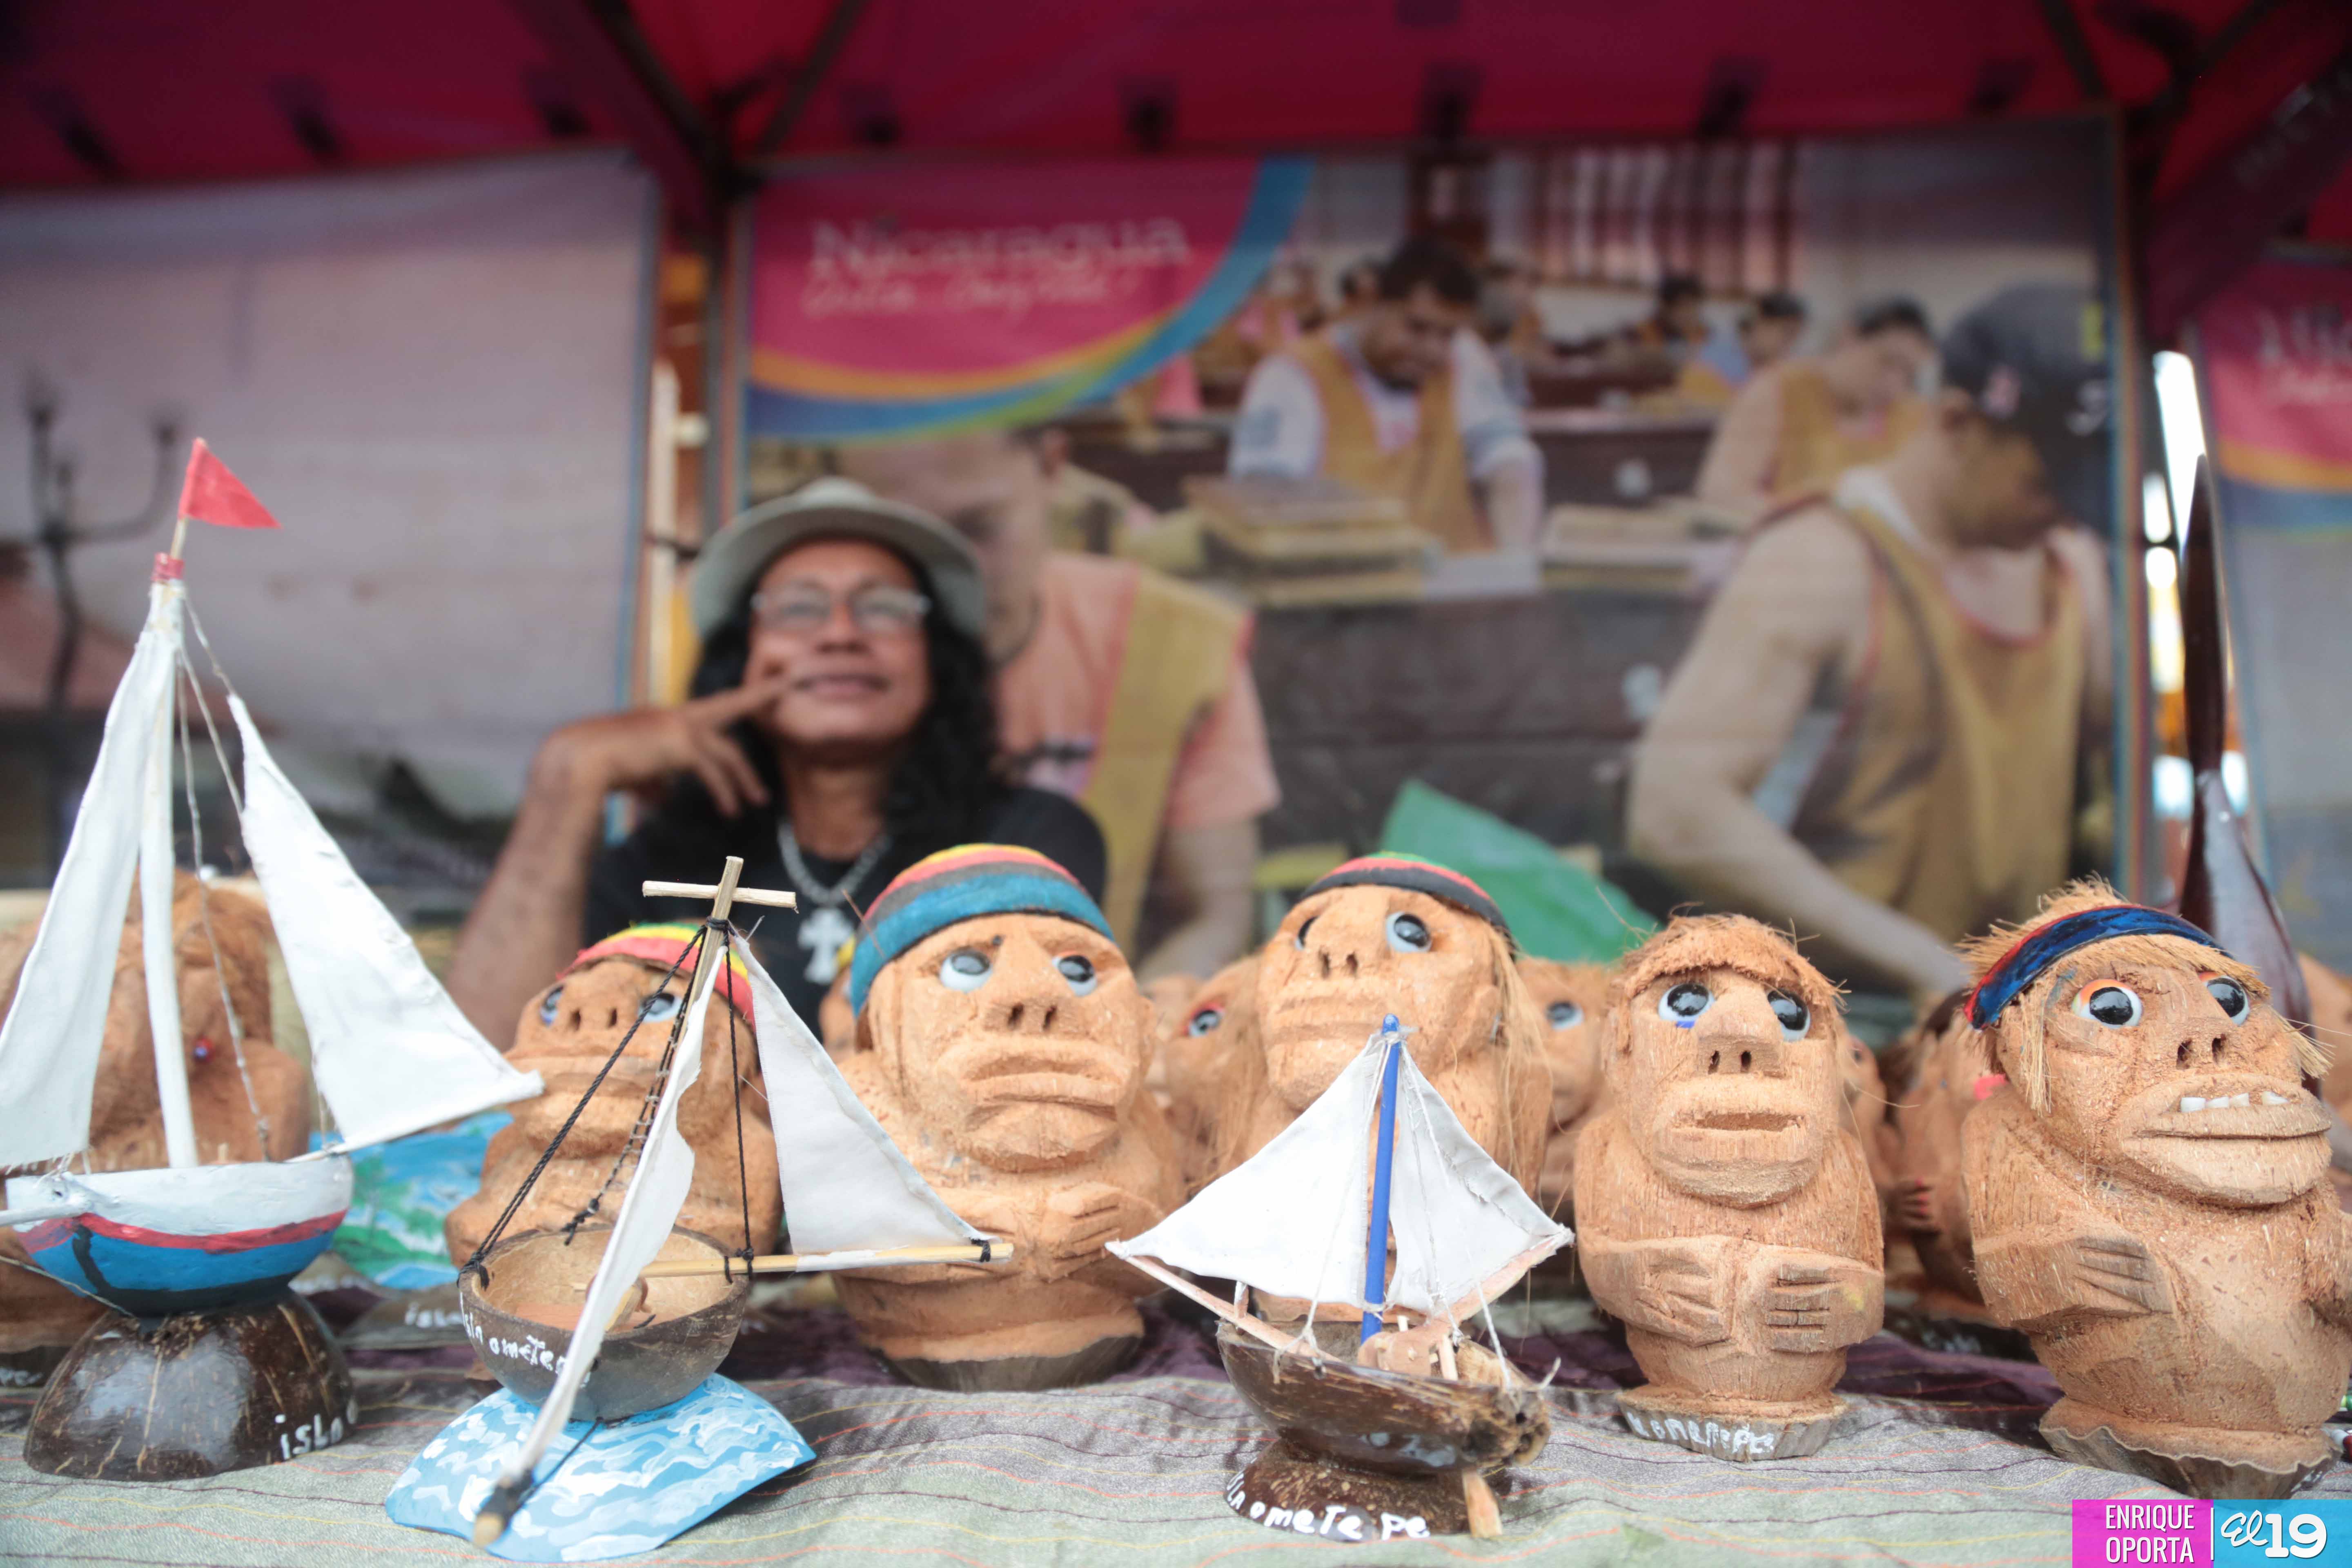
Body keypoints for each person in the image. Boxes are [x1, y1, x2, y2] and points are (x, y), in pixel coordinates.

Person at [444, 478, 1105, 1038]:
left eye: (883, 609)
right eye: (798, 609)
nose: (841, 633)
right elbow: (490, 1067)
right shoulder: (664, 865)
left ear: (936, 661)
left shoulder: (1023, 843)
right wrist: (569, 774)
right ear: (741, 661)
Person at [1626, 283, 2114, 1004]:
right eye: (2044, 485)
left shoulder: (2067, 565)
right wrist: (1919, 961)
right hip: (1853, 1015)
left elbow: (2107, 756)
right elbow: (1674, 809)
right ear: (1957, 422)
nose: (2062, 516)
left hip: (2022, 1004)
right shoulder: (1821, 560)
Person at [835, 433, 1274, 981]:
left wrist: (1129, 1019)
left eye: (978, 528)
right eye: (905, 541)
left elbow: (1215, 914)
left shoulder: (1173, 647)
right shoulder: (798, 659)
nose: (951, 572)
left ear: (1050, 466)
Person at [1227, 235, 1544, 552]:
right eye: (1416, 327)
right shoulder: (1293, 374)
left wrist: (1518, 559)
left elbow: (1511, 461)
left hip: (1451, 574)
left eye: (1448, 333)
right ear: (1372, 303)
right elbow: (1265, 498)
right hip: (1342, 575)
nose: (1433, 349)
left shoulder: (1461, 357)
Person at [1695, 296, 1936, 526]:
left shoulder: (1911, 415)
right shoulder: (1779, 392)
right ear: (1849, 337)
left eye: (1909, 374)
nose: (1894, 385)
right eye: (1887, 362)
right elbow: (1722, 495)